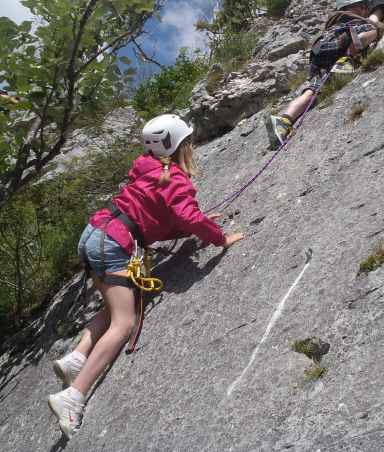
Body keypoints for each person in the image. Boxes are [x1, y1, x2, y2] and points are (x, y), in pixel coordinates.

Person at [47, 114, 244, 439]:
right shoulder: (176, 177)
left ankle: (77, 359)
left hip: (95, 232)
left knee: (115, 308)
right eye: (189, 142)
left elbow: (158, 217)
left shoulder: (148, 169)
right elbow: (183, 213)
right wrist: (219, 238)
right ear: (182, 146)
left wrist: (195, 222)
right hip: (112, 242)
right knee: (124, 323)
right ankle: (73, 397)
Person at [265, 0, 384, 150]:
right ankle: (346, 60)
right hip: (336, 43)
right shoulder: (350, 20)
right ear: (344, 8)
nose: (360, 10)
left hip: (319, 51)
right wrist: (380, 27)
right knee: (371, 31)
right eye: (356, 6)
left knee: (312, 90)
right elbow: (369, 28)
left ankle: (283, 120)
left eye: (363, 7)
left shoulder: (333, 21)